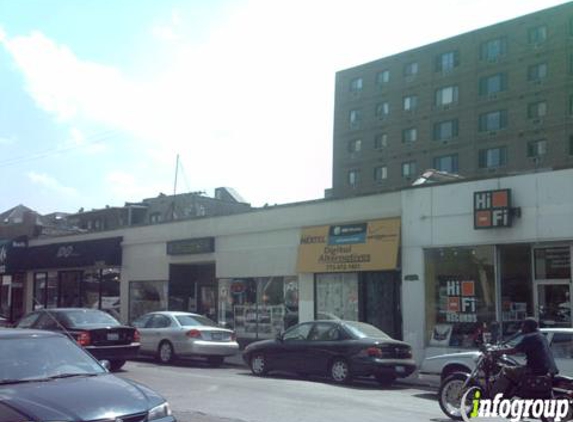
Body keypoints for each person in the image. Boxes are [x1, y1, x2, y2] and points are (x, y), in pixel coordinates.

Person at [490, 317, 558, 398]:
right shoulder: (541, 336)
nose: (521, 328)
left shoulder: (530, 337)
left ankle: (494, 397)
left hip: (534, 369)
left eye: (523, 326)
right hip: (547, 369)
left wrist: (498, 352)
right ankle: (514, 392)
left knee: (506, 370)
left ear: (528, 327)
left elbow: (514, 351)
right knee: (516, 370)